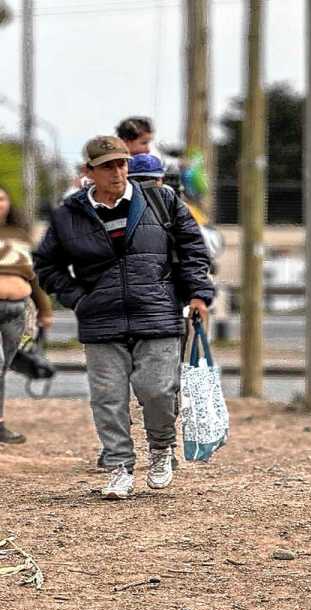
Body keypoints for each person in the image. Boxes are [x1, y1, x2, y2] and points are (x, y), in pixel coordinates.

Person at [33, 136, 214, 499]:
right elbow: (46, 265)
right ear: (89, 171)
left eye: (122, 164)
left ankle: (161, 448)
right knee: (108, 398)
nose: (117, 172)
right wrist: (78, 299)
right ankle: (119, 466)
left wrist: (198, 292)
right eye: (107, 166)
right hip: (100, 317)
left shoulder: (162, 201)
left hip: (156, 311)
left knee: (158, 390)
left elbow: (193, 249)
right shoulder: (69, 215)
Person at [0, 185, 53, 444]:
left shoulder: (20, 235)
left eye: (2, 198)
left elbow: (33, 278)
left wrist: (45, 310)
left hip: (16, 310)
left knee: (3, 367)